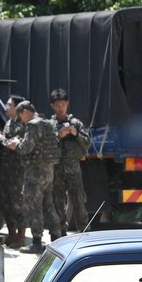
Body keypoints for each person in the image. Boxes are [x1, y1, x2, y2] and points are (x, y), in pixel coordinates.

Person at [6, 101, 59, 254]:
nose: (21, 120)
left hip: (35, 172)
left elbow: (25, 148)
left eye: (20, 116)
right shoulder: (48, 123)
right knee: (49, 205)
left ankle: (36, 242)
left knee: (34, 206)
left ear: (24, 112)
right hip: (48, 170)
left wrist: (17, 143)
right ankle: (56, 238)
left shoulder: (32, 125)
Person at [49, 88, 91, 234]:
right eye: (57, 105)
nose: (61, 108)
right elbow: (44, 146)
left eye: (63, 104)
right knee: (57, 202)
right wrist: (58, 135)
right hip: (56, 170)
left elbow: (87, 143)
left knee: (79, 200)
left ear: (67, 104)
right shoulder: (49, 125)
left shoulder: (76, 123)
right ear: (52, 106)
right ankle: (60, 232)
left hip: (73, 169)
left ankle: (84, 232)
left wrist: (76, 133)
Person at [0, 95, 27, 249]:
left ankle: (21, 237)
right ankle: (12, 234)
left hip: (18, 172)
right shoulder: (8, 123)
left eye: (9, 105)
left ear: (17, 107)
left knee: (17, 204)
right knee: (5, 202)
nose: (6, 107)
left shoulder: (22, 125)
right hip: (6, 170)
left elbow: (12, 144)